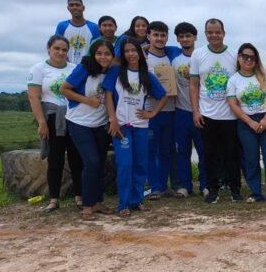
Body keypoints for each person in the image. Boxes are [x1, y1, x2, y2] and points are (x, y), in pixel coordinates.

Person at [104, 38, 168, 218]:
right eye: (127, 51)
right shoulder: (116, 71)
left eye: (134, 50)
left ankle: (137, 200)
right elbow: (108, 95)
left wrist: (152, 113)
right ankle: (123, 204)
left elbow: (163, 96)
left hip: (141, 125)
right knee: (125, 164)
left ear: (140, 53)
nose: (131, 54)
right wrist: (112, 119)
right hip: (121, 126)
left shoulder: (146, 75)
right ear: (123, 54)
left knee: (140, 164)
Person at [190, 19, 243, 204]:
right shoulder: (198, 54)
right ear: (205, 34)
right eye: (210, 32)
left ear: (224, 33)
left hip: (230, 114)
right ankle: (212, 190)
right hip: (207, 114)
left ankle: (235, 189)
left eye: (217, 32)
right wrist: (195, 111)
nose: (214, 35)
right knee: (209, 154)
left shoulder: (234, 55)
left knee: (232, 153)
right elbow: (194, 84)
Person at [60, 39, 114, 220]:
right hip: (79, 122)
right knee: (90, 161)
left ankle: (98, 201)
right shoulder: (84, 68)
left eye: (107, 53)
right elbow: (64, 89)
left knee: (98, 162)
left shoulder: (111, 72)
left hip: (100, 123)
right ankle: (87, 205)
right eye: (99, 53)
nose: (103, 57)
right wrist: (87, 100)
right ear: (93, 54)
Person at [27, 36, 81, 213]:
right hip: (51, 117)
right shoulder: (39, 69)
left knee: (76, 158)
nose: (60, 52)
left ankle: (79, 196)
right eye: (57, 48)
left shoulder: (75, 68)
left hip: (74, 116)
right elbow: (34, 97)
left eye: (64, 50)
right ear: (48, 49)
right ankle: (54, 199)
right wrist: (41, 122)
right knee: (55, 159)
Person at [227, 43, 266, 204]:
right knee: (251, 159)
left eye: (252, 57)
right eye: (245, 56)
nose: (249, 60)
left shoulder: (264, 76)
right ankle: (256, 192)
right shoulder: (233, 80)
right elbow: (233, 104)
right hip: (246, 122)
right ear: (239, 58)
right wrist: (250, 122)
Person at [144, 21, 181, 200]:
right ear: (148, 36)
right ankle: (154, 187)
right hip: (150, 111)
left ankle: (165, 186)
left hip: (170, 110)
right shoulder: (142, 58)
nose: (159, 38)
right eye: (155, 35)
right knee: (151, 150)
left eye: (163, 35)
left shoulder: (172, 55)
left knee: (167, 150)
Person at [172, 22, 206, 197]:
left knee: (203, 150)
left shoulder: (202, 57)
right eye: (182, 36)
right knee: (183, 151)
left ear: (195, 37)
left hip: (203, 111)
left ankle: (205, 184)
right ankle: (185, 185)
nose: (185, 39)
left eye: (188, 36)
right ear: (177, 39)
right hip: (181, 111)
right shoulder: (175, 60)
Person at [55, 0, 100, 64]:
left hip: (87, 67)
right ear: (68, 8)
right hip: (66, 66)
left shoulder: (94, 27)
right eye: (71, 5)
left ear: (83, 8)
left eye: (77, 5)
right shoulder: (62, 26)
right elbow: (56, 45)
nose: (75, 7)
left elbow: (97, 48)